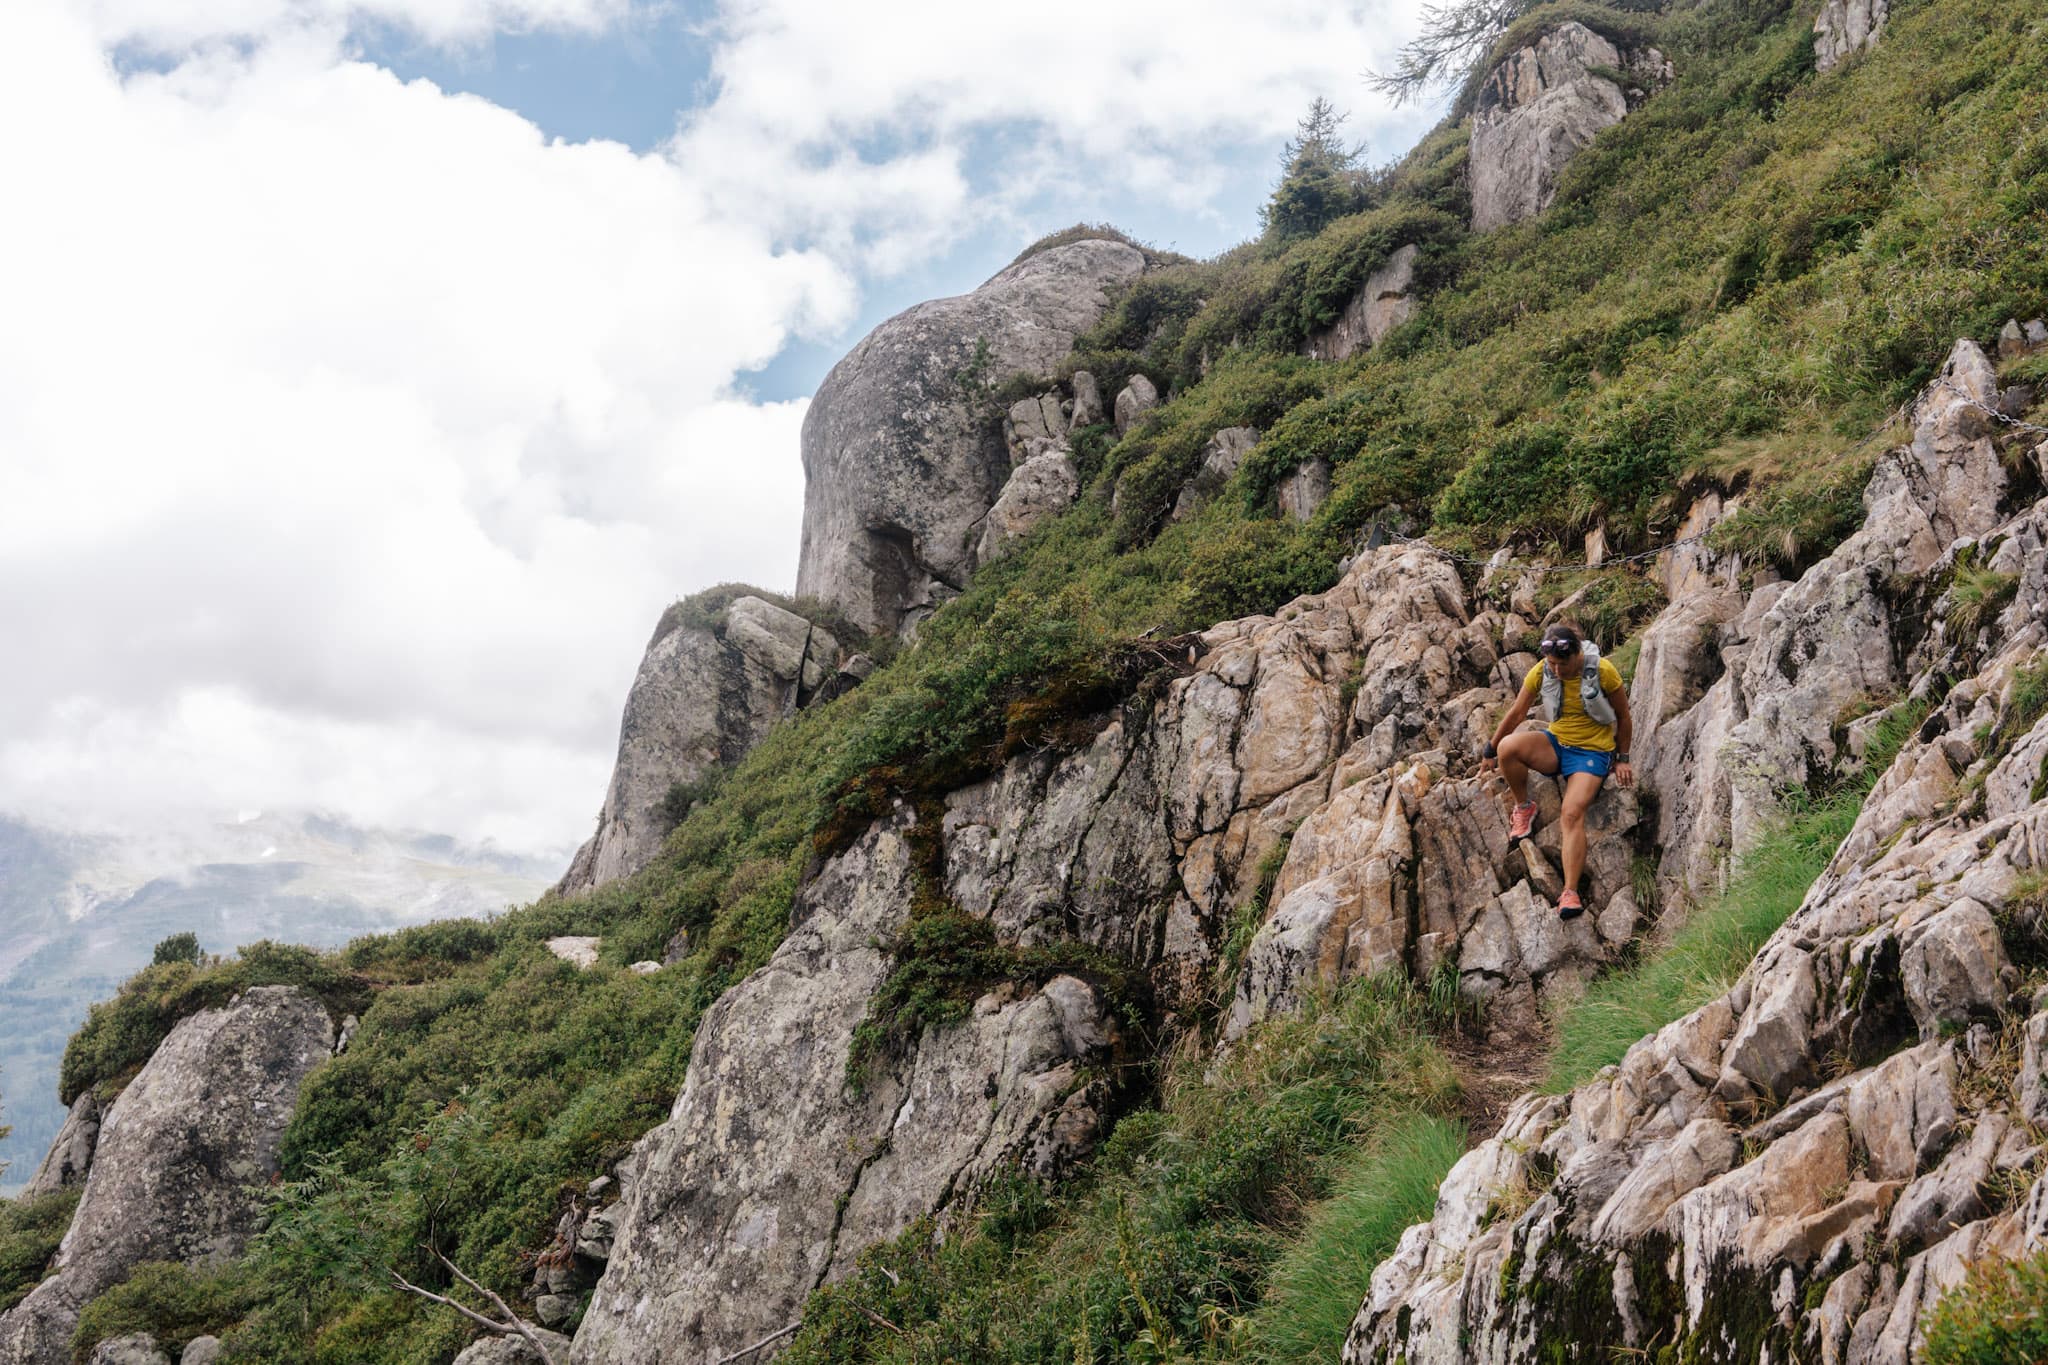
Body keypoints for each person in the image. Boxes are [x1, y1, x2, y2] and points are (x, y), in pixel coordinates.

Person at [1478, 622, 1634, 920]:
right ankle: (1524, 807)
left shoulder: (1603, 672)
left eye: (1562, 664)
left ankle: (1570, 892)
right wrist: (1490, 749)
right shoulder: (1543, 671)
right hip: (1556, 744)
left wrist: (1623, 757)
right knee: (1508, 748)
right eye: (1551, 664)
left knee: (1571, 813)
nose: (1557, 671)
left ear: (1577, 655)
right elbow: (1517, 712)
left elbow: (1624, 718)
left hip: (1592, 753)